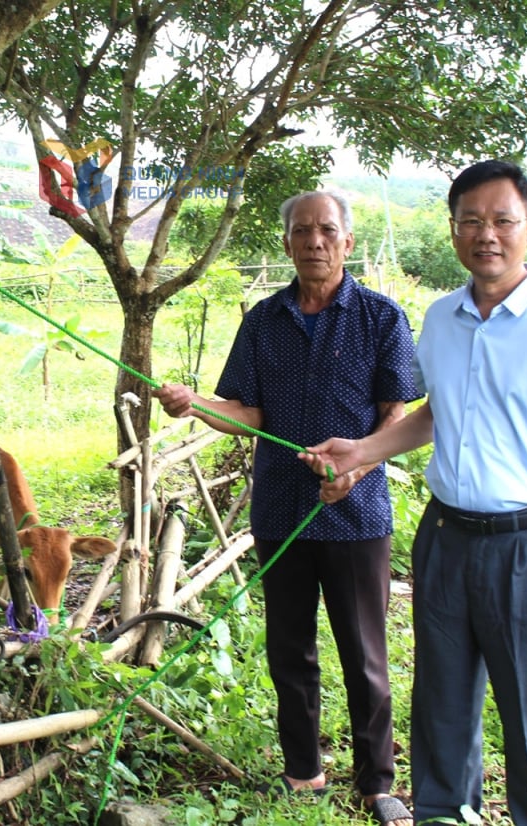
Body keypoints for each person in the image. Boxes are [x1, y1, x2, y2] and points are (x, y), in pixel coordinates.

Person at [301, 160, 527, 826]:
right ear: (452, 232)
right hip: (446, 540)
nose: (488, 235)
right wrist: (359, 452)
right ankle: (445, 817)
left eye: (503, 221)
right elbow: (436, 413)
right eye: (471, 221)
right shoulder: (442, 318)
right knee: (442, 708)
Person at [154, 190, 417, 826]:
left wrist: (356, 468)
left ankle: (376, 783)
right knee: (289, 649)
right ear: (288, 243)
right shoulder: (263, 320)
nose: (315, 241)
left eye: (328, 230)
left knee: (364, 652)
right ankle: (304, 772)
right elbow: (246, 412)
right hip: (281, 510)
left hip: (357, 515)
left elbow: (395, 416)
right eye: (303, 231)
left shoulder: (382, 317)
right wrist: (194, 405)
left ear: (347, 243)